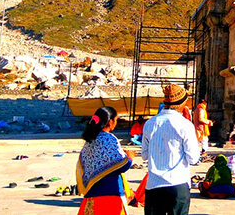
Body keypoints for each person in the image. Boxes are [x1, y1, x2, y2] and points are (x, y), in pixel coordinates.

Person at [142, 84, 200, 215]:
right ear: (181, 104)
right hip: (178, 183)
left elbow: (144, 155)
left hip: (154, 184)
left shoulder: (150, 123)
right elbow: (193, 158)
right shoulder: (185, 125)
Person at [77, 106, 134, 214]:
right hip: (111, 193)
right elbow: (122, 165)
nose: (116, 123)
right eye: (116, 120)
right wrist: (130, 157)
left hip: (92, 193)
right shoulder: (110, 138)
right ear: (110, 121)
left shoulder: (90, 139)